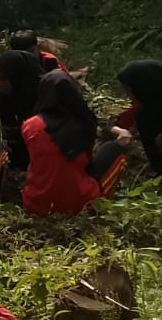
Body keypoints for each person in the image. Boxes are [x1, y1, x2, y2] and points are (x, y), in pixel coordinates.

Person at [21, 70, 127, 216]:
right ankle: (103, 199)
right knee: (112, 148)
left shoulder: (29, 126)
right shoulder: (84, 123)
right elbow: (86, 162)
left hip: (37, 203)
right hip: (81, 203)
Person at [0, 49, 45, 168]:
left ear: (17, 76)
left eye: (4, 79)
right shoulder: (1, 95)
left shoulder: (44, 92)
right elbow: (7, 124)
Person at [114, 60, 162, 177]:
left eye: (129, 91)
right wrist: (117, 130)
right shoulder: (146, 106)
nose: (127, 95)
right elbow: (116, 122)